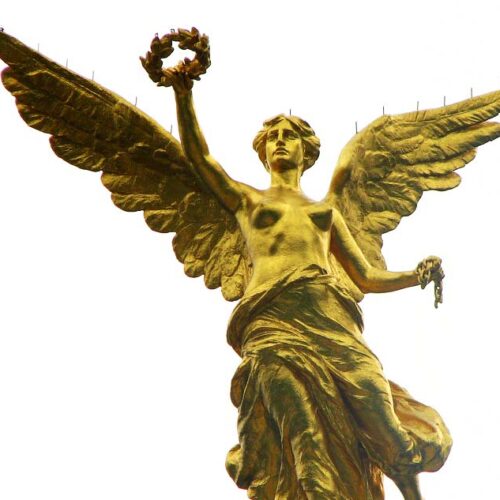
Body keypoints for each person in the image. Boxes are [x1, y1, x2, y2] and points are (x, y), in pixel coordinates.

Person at [169, 68, 451, 500]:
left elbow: (365, 277)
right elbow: (199, 158)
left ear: (307, 151)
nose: (280, 141)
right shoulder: (247, 200)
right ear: (263, 152)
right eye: (273, 137)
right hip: (272, 324)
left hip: (331, 319)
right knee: (304, 438)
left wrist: (416, 275)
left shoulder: (327, 211)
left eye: (290, 136)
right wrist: (183, 93)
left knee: (379, 413)